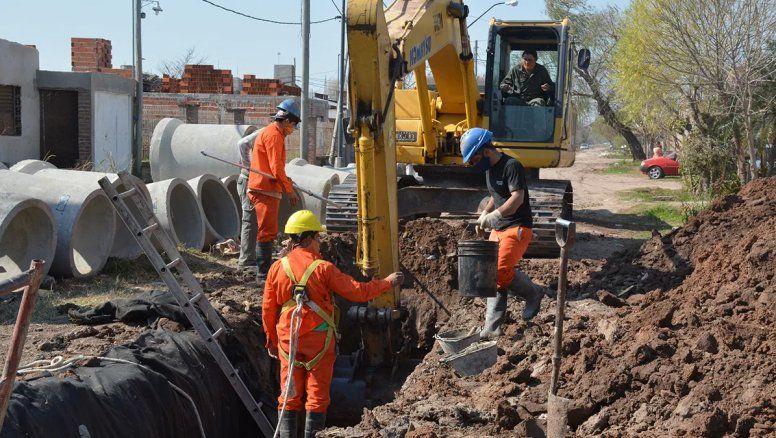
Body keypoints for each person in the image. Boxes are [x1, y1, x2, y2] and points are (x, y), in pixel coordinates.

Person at [263, 210, 404, 438]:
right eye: (318, 238)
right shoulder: (322, 268)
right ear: (308, 238)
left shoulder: (277, 268)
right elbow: (358, 292)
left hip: (288, 339)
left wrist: (270, 339)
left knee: (289, 393)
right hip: (318, 340)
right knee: (317, 395)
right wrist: (386, 283)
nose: (319, 243)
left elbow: (269, 308)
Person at [459, 127, 548, 338]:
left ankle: (533, 294)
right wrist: (485, 213)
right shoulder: (490, 170)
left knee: (499, 270)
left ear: (485, 150)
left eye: (473, 159)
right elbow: (496, 194)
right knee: (492, 274)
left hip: (517, 227)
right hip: (500, 228)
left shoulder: (511, 166)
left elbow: (517, 198)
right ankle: (492, 328)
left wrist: (495, 215)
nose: (472, 164)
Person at [248, 98, 301, 286]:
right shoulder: (274, 135)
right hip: (265, 189)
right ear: (287, 120)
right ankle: (263, 275)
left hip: (265, 187)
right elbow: (276, 168)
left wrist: (287, 183)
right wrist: (290, 191)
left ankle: (263, 270)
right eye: (294, 125)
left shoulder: (272, 132)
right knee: (267, 232)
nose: (293, 129)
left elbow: (275, 169)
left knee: (266, 230)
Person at [236, 126, 260, 270]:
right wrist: (249, 166)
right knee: (249, 220)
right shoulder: (263, 133)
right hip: (247, 181)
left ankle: (251, 256)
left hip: (253, 181)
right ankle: (245, 261)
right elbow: (242, 143)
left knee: (254, 220)